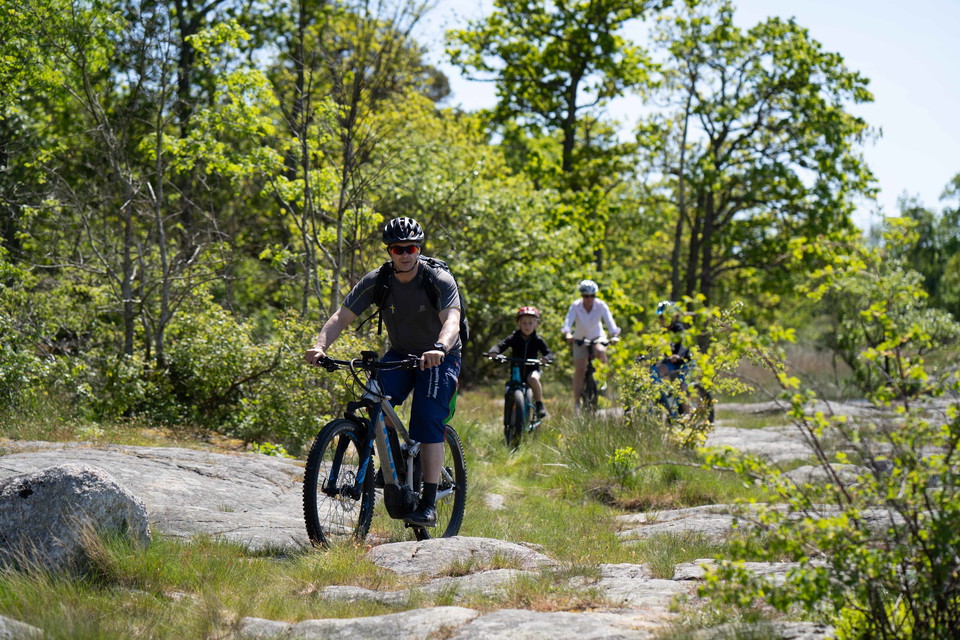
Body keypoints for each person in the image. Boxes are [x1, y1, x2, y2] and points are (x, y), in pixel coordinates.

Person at [304, 216, 461, 528]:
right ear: (389, 251)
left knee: (426, 420)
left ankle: (428, 503)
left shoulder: (438, 280)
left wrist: (440, 348)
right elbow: (341, 316)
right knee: (372, 398)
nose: (405, 254)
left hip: (439, 356)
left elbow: (452, 320)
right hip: (401, 354)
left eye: (411, 248)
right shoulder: (379, 280)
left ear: (419, 249)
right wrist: (320, 346)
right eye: (397, 249)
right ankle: (394, 464)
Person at [561, 279, 621, 409]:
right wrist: (568, 334)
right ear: (582, 296)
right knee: (580, 369)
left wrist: (614, 335)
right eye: (586, 296)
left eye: (592, 296)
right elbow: (568, 322)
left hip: (597, 336)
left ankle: (602, 380)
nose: (589, 299)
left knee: (600, 350)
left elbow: (610, 322)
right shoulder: (576, 306)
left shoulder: (601, 305)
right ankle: (577, 401)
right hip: (579, 339)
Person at [486, 306, 554, 419]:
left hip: (532, 369)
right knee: (510, 388)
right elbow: (500, 345)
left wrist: (546, 358)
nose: (527, 326)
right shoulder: (514, 337)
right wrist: (494, 351)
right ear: (518, 323)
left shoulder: (538, 340)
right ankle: (510, 411)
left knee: (532, 379)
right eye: (524, 323)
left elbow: (549, 353)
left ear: (536, 324)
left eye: (530, 323)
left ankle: (539, 404)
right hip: (516, 369)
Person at [654, 300, 692, 397]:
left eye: (664, 317)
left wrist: (678, 355)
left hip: (684, 362)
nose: (662, 320)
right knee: (658, 370)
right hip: (670, 362)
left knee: (682, 388)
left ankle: (686, 411)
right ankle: (667, 395)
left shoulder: (678, 329)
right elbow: (652, 344)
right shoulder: (661, 331)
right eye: (660, 317)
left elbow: (684, 345)